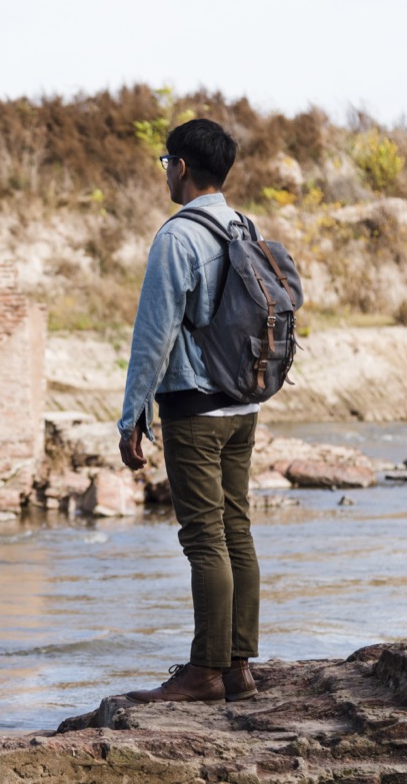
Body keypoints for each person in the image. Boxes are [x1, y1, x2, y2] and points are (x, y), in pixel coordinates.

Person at [117, 118, 260, 704]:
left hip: (195, 411)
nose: (165, 173)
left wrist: (133, 418)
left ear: (180, 167)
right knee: (236, 530)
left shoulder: (177, 237)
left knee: (205, 539)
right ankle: (238, 667)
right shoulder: (244, 225)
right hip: (242, 403)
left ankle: (204, 672)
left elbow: (155, 335)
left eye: (165, 163)